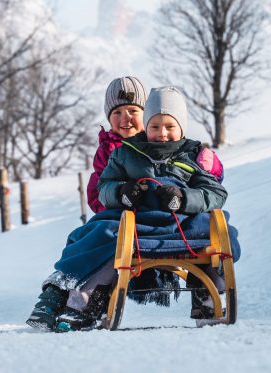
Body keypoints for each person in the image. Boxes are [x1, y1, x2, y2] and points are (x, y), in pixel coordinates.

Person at [26, 86, 240, 332]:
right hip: (138, 225)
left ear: (181, 126)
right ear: (146, 126)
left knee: (222, 229)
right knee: (101, 230)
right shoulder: (126, 154)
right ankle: (81, 299)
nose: (162, 134)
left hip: (181, 225)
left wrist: (183, 198)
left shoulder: (194, 156)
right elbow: (104, 187)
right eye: (155, 127)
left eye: (170, 127)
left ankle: (209, 293)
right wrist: (122, 193)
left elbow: (215, 193)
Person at [87, 76, 224, 214]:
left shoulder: (190, 154)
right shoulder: (114, 154)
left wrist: (184, 197)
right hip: (132, 219)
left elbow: (213, 188)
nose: (125, 118)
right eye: (117, 112)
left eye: (133, 111)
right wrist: (121, 194)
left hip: (180, 219)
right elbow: (100, 192)